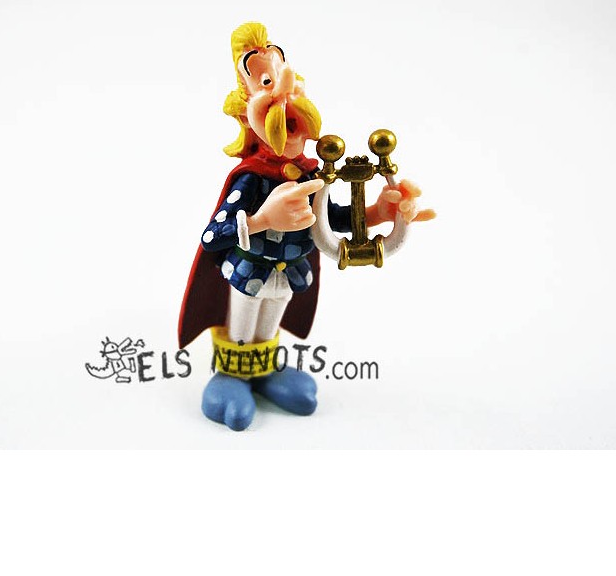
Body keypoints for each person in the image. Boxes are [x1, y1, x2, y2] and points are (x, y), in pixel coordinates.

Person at [178, 22, 430, 430]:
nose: (285, 96)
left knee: (270, 323)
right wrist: (262, 220)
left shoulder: (309, 174)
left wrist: (380, 213)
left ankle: (263, 371)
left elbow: (330, 218)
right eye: (267, 83)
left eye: (286, 81)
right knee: (243, 324)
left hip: (289, 272)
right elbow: (213, 236)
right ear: (247, 115)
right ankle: (232, 376)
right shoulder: (250, 179)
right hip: (249, 270)